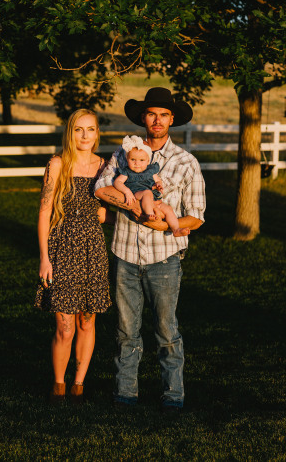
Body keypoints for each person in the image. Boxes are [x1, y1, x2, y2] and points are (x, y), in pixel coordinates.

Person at [94, 87, 206, 413]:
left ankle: (173, 396)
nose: (157, 120)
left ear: (172, 119)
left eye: (164, 114)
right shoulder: (125, 153)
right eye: (151, 113)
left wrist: (160, 225)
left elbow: (196, 217)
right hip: (125, 255)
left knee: (166, 331)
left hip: (165, 259)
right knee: (126, 332)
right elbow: (102, 187)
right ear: (143, 117)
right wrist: (132, 207)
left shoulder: (185, 162)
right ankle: (125, 395)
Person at [35, 108, 112, 405]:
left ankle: (78, 385)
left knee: (87, 321)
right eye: (79, 129)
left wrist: (104, 213)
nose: (84, 136)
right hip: (62, 247)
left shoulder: (106, 166)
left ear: (97, 133)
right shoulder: (58, 164)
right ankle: (58, 385)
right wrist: (44, 257)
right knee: (64, 325)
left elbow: (110, 207)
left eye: (90, 129)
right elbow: (44, 212)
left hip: (93, 248)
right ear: (70, 132)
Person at [114, 135, 190, 237]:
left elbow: (158, 180)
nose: (137, 163)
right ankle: (150, 214)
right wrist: (127, 191)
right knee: (147, 193)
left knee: (168, 209)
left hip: (153, 199)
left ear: (148, 160)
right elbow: (117, 182)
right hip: (138, 194)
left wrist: (158, 185)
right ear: (127, 159)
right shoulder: (127, 172)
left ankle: (176, 229)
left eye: (141, 160)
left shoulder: (151, 171)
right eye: (133, 160)